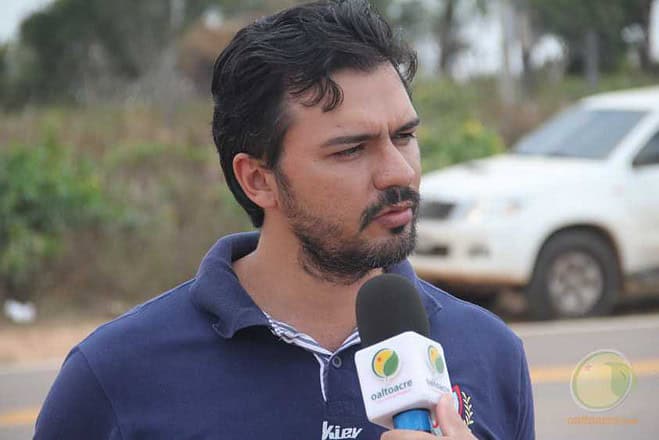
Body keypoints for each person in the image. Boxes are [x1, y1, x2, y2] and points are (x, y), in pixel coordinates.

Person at [35, 1, 534, 439]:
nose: (399, 172)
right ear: (258, 180)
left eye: (404, 136)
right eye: (351, 150)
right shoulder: (116, 375)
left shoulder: (491, 353)